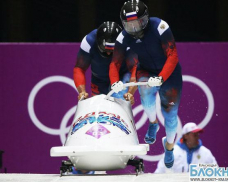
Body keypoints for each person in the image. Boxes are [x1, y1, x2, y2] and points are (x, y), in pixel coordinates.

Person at [109, 0, 182, 168]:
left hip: (169, 74)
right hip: (146, 70)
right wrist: (115, 82)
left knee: (170, 115)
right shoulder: (123, 37)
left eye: (138, 23)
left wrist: (162, 77)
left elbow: (173, 56)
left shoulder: (160, 27)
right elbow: (115, 64)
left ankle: (169, 147)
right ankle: (153, 123)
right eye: (130, 25)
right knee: (145, 94)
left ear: (146, 20)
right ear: (123, 24)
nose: (134, 29)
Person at [73, 21, 137, 104]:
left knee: (118, 100)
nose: (108, 53)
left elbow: (135, 68)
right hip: (99, 80)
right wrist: (82, 92)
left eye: (112, 51)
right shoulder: (89, 42)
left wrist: (130, 92)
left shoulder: (127, 41)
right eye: (105, 50)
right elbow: (79, 68)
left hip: (121, 77)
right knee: (99, 107)